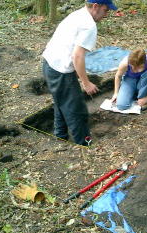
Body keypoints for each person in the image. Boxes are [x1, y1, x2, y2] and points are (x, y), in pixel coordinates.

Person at [42, 0, 117, 146]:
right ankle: (84, 144)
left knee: (61, 102)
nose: (106, 14)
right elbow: (77, 56)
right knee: (77, 111)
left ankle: (61, 136)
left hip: (49, 64)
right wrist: (86, 82)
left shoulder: (77, 14)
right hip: (60, 71)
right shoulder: (89, 26)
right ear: (96, 6)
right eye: (106, 10)